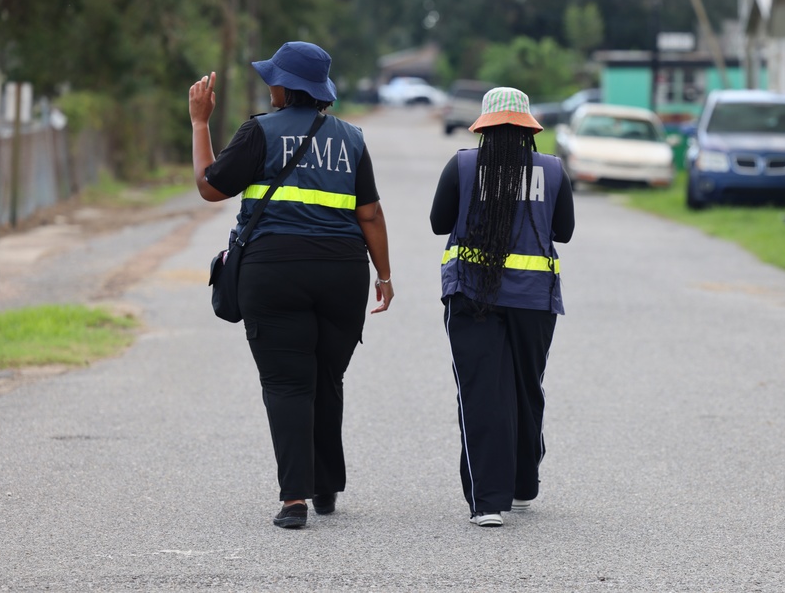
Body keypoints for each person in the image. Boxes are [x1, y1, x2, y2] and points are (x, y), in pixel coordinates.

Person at [188, 41, 394, 529]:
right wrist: (383, 275)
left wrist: (199, 123)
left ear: (285, 87)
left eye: (272, 79)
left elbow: (209, 186)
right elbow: (370, 214)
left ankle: (294, 500)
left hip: (274, 271)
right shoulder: (352, 139)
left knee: (287, 383)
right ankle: (325, 488)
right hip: (344, 272)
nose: (268, 86)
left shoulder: (258, 131)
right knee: (327, 377)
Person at [429, 87, 575, 527]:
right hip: (535, 300)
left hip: (473, 294)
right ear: (528, 129)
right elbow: (564, 231)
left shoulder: (463, 165)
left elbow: (439, 223)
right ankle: (523, 486)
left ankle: (489, 501)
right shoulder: (552, 169)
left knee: (481, 393)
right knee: (526, 388)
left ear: (485, 128)